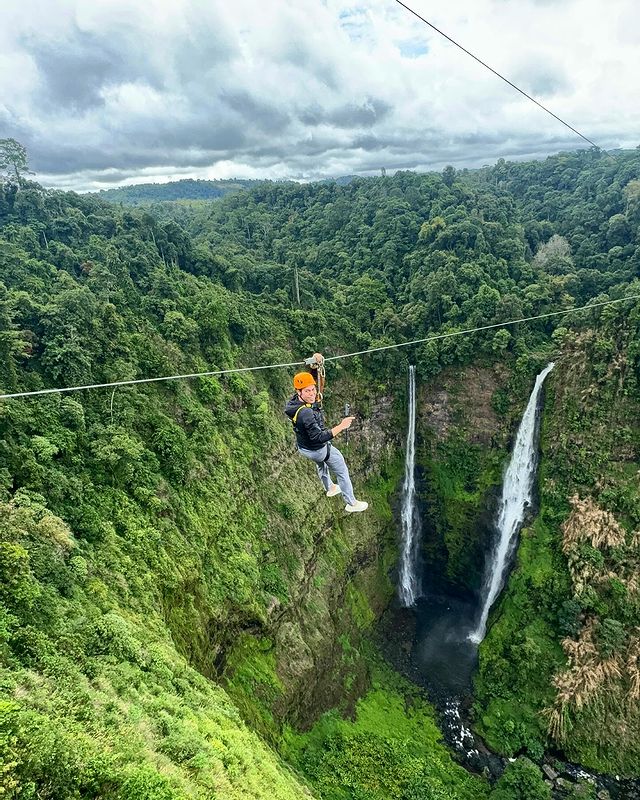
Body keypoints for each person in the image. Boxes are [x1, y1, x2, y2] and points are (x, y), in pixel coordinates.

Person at [284, 354, 368, 513]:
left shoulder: (293, 403)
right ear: (299, 392)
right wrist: (342, 426)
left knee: (321, 464)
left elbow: (308, 382)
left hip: (304, 448)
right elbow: (320, 437)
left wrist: (313, 367)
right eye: (307, 391)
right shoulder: (305, 414)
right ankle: (351, 502)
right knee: (341, 469)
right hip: (318, 448)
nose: (312, 393)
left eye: (313, 389)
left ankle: (329, 487)